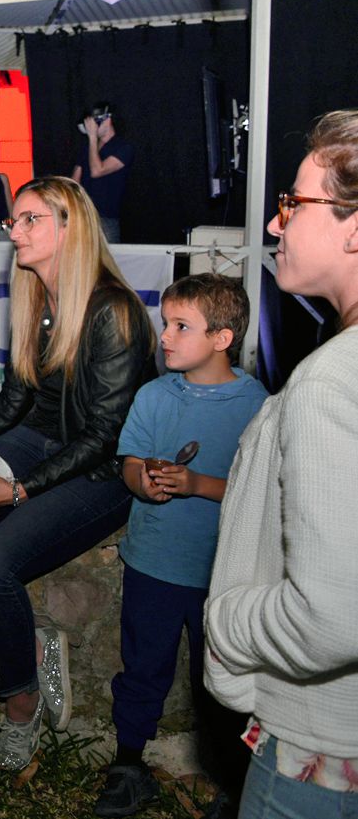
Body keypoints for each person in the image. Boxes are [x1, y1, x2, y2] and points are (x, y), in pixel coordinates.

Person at [0, 176, 156, 771]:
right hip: (37, 444)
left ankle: (19, 699)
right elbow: (15, 402)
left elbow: (104, 437)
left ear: (69, 227)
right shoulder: (34, 294)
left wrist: (17, 491)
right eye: (13, 221)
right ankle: (25, 644)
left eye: (28, 220)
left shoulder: (114, 311)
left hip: (100, 470)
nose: (12, 231)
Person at [205, 109, 358, 819]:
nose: (275, 224)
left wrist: (226, 620)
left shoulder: (329, 381)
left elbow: (329, 616)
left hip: (316, 752)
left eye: (295, 203)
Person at [94, 273, 267, 818]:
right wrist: (142, 481)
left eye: (181, 326)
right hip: (153, 563)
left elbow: (258, 488)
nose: (164, 336)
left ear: (222, 337)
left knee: (218, 681)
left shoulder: (256, 403)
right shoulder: (152, 394)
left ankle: (234, 787)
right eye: (165, 323)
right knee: (142, 666)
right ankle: (128, 766)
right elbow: (129, 461)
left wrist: (196, 485)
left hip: (224, 572)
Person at [70, 102, 133, 244]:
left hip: (106, 219)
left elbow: (98, 171)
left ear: (107, 120)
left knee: (106, 263)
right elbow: (74, 182)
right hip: (83, 216)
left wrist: (92, 138)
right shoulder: (87, 148)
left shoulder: (122, 147)